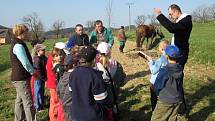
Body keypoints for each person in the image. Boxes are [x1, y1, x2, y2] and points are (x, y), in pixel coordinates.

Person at [69, 46, 108, 121]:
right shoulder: (95, 76)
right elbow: (102, 99)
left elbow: (71, 92)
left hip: (76, 114)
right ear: (93, 60)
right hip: (92, 115)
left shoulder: (73, 74)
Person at [154, 4, 192, 70]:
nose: (170, 16)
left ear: (176, 11)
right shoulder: (181, 21)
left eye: (171, 14)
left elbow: (172, 28)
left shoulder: (186, 21)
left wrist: (160, 15)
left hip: (180, 53)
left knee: (177, 74)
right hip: (176, 52)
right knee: (173, 74)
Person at [10, 24, 36, 121]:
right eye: (26, 32)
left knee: (19, 101)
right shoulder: (18, 45)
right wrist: (33, 72)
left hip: (18, 78)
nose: (27, 34)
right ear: (21, 32)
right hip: (21, 78)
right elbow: (25, 62)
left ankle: (19, 119)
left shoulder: (18, 43)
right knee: (28, 102)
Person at [151, 45, 184, 121]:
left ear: (166, 56)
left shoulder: (165, 70)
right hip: (177, 100)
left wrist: (157, 94)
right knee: (172, 118)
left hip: (165, 101)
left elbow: (156, 86)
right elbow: (179, 85)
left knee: (156, 119)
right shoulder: (180, 69)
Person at [96, 42, 126, 121]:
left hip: (100, 99)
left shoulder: (94, 67)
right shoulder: (116, 64)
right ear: (109, 52)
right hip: (113, 95)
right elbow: (121, 81)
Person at [145, 40, 169, 111]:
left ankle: (154, 113)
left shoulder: (161, 59)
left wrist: (150, 62)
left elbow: (153, 71)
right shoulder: (168, 58)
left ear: (161, 49)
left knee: (154, 100)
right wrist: (154, 62)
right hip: (162, 82)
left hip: (155, 83)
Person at [46, 42, 66, 121]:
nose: (61, 56)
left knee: (55, 102)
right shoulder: (54, 61)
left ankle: (55, 116)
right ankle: (53, 118)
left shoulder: (54, 58)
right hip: (54, 85)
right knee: (55, 102)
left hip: (54, 84)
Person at [57, 54, 78, 121]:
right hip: (74, 108)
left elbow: (58, 92)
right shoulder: (75, 78)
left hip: (65, 107)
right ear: (74, 65)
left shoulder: (62, 78)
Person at [33, 44, 47, 112]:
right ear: (38, 51)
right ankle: (37, 107)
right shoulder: (37, 59)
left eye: (44, 50)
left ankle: (41, 105)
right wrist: (43, 78)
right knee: (38, 92)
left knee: (41, 91)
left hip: (43, 78)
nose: (44, 51)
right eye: (43, 50)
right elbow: (38, 71)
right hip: (38, 78)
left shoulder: (43, 57)